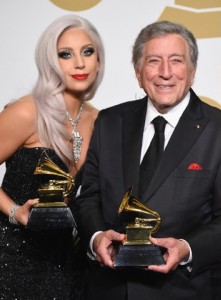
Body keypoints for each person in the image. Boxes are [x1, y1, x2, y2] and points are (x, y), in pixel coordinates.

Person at [76, 20, 221, 300]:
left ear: (192, 72)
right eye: (154, 61)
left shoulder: (218, 130)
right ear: (138, 72)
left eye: (176, 61)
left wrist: (186, 248)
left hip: (185, 291)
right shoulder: (109, 121)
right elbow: (88, 197)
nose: (165, 73)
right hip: (108, 289)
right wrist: (96, 239)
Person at [0, 14, 104, 300]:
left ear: (99, 59)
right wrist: (13, 211)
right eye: (65, 54)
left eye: (87, 51)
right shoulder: (26, 112)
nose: (79, 63)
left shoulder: (102, 121)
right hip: (13, 260)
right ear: (50, 61)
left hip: (70, 265)